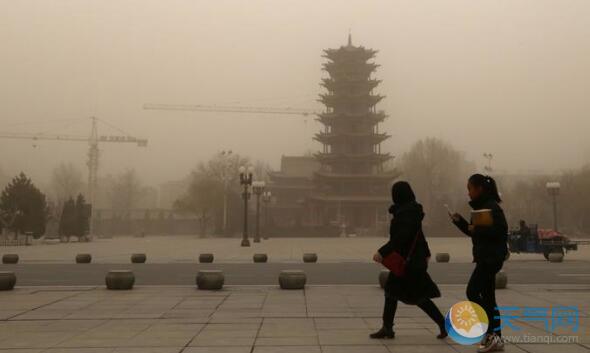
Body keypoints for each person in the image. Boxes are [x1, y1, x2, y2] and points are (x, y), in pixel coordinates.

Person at [371, 181, 447, 340]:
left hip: (408, 262)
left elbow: (401, 238)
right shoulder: (410, 211)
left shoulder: (406, 214)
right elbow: (418, 235)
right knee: (394, 292)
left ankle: (442, 324)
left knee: (415, 296)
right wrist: (426, 252)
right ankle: (387, 327)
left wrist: (382, 252)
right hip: (411, 260)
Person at [451, 174, 508, 353]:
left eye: (470, 188)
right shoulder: (481, 207)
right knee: (489, 299)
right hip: (485, 257)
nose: (468, 193)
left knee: (472, 291)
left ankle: (491, 331)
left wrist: (478, 229)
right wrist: (460, 223)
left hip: (491, 259)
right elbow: (475, 233)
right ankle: (495, 337)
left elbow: (500, 230)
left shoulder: (491, 207)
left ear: (479, 189)